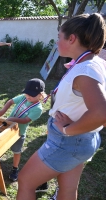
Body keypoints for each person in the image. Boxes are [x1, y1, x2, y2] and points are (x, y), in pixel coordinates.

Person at [17, 13, 106, 200]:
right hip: (83, 140)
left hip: (69, 141)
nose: (57, 42)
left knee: (25, 180)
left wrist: (67, 130)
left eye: (59, 36)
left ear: (71, 38)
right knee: (67, 189)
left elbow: (101, 113)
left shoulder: (85, 70)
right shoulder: (93, 63)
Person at [0, 78, 46, 182]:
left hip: (19, 133)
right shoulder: (23, 97)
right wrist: (2, 112)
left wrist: (13, 119)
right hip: (8, 128)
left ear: (41, 95)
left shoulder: (38, 109)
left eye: (32, 95)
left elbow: (26, 120)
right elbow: (10, 101)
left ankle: (15, 168)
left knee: (16, 151)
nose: (28, 97)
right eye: (27, 94)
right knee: (1, 145)